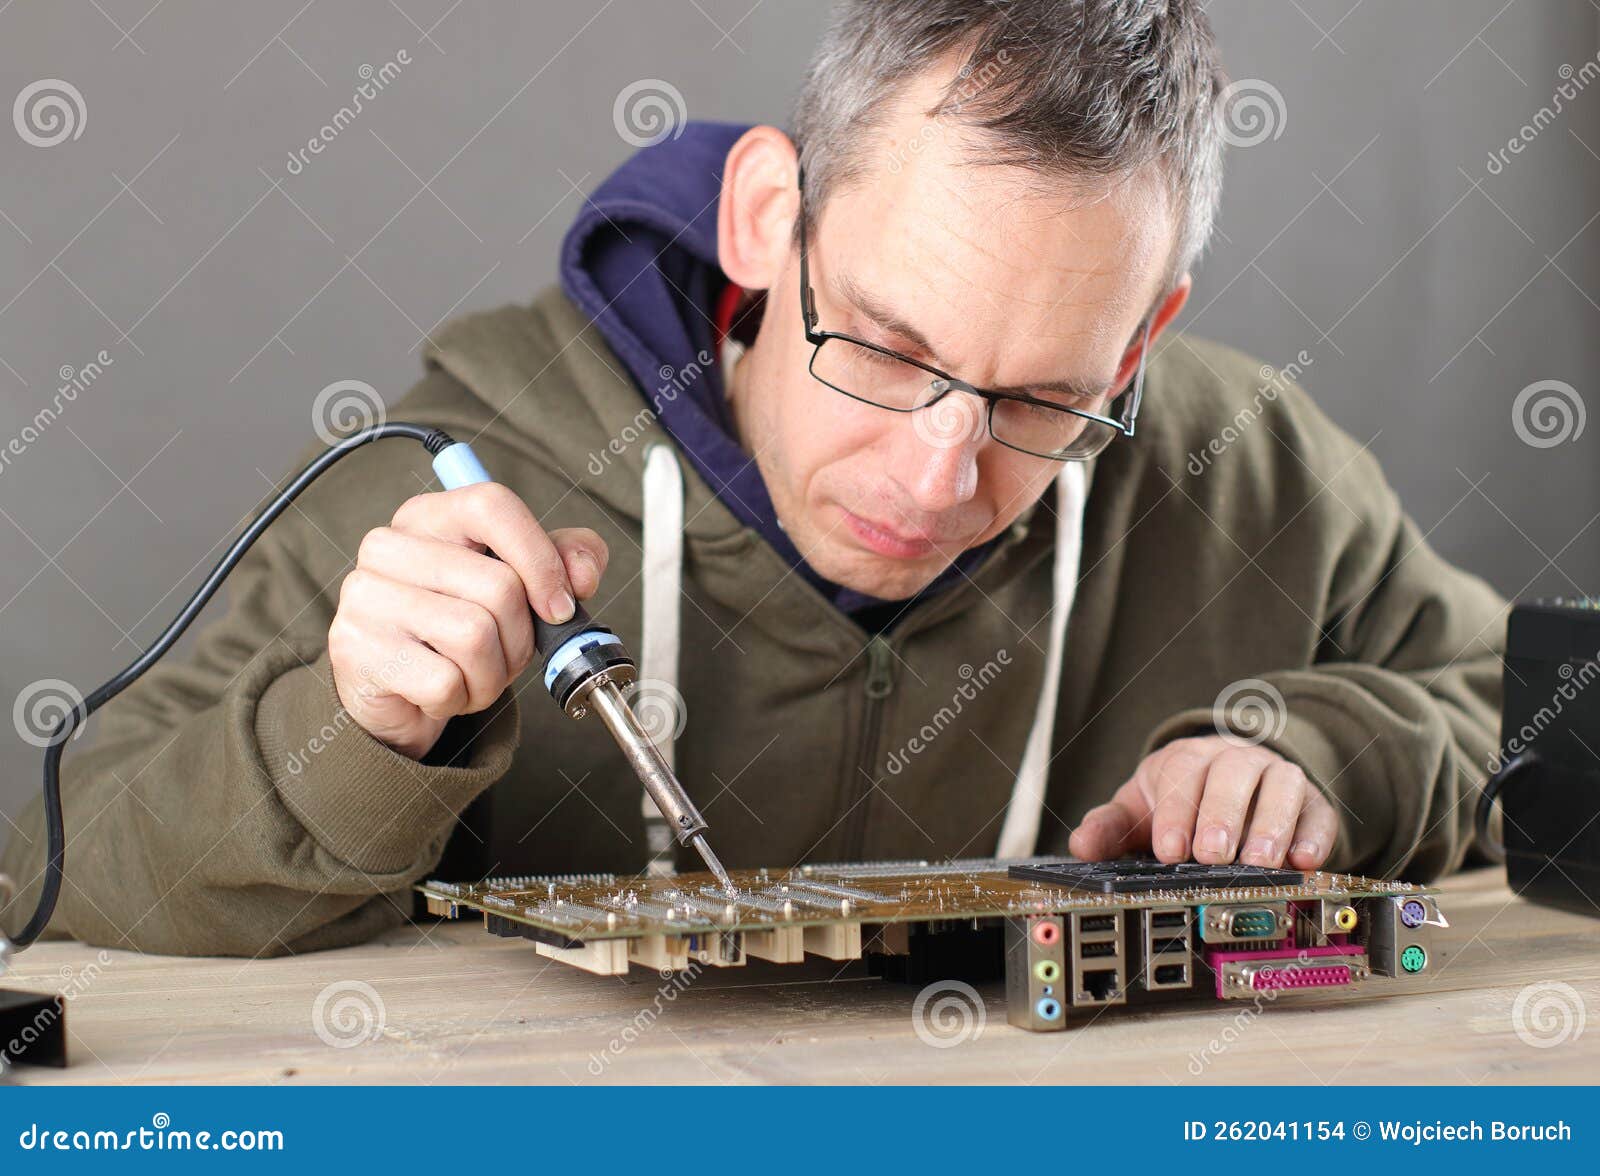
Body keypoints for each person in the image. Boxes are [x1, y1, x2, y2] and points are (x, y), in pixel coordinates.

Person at [0, 0, 1504, 956]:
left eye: (1048, 396)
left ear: (1146, 337)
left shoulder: (1246, 468)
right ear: (765, 215)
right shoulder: (494, 456)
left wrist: (1332, 758)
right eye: (888, 346)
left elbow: (1540, 710)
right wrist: (353, 737)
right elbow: (51, 881)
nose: (934, 473)